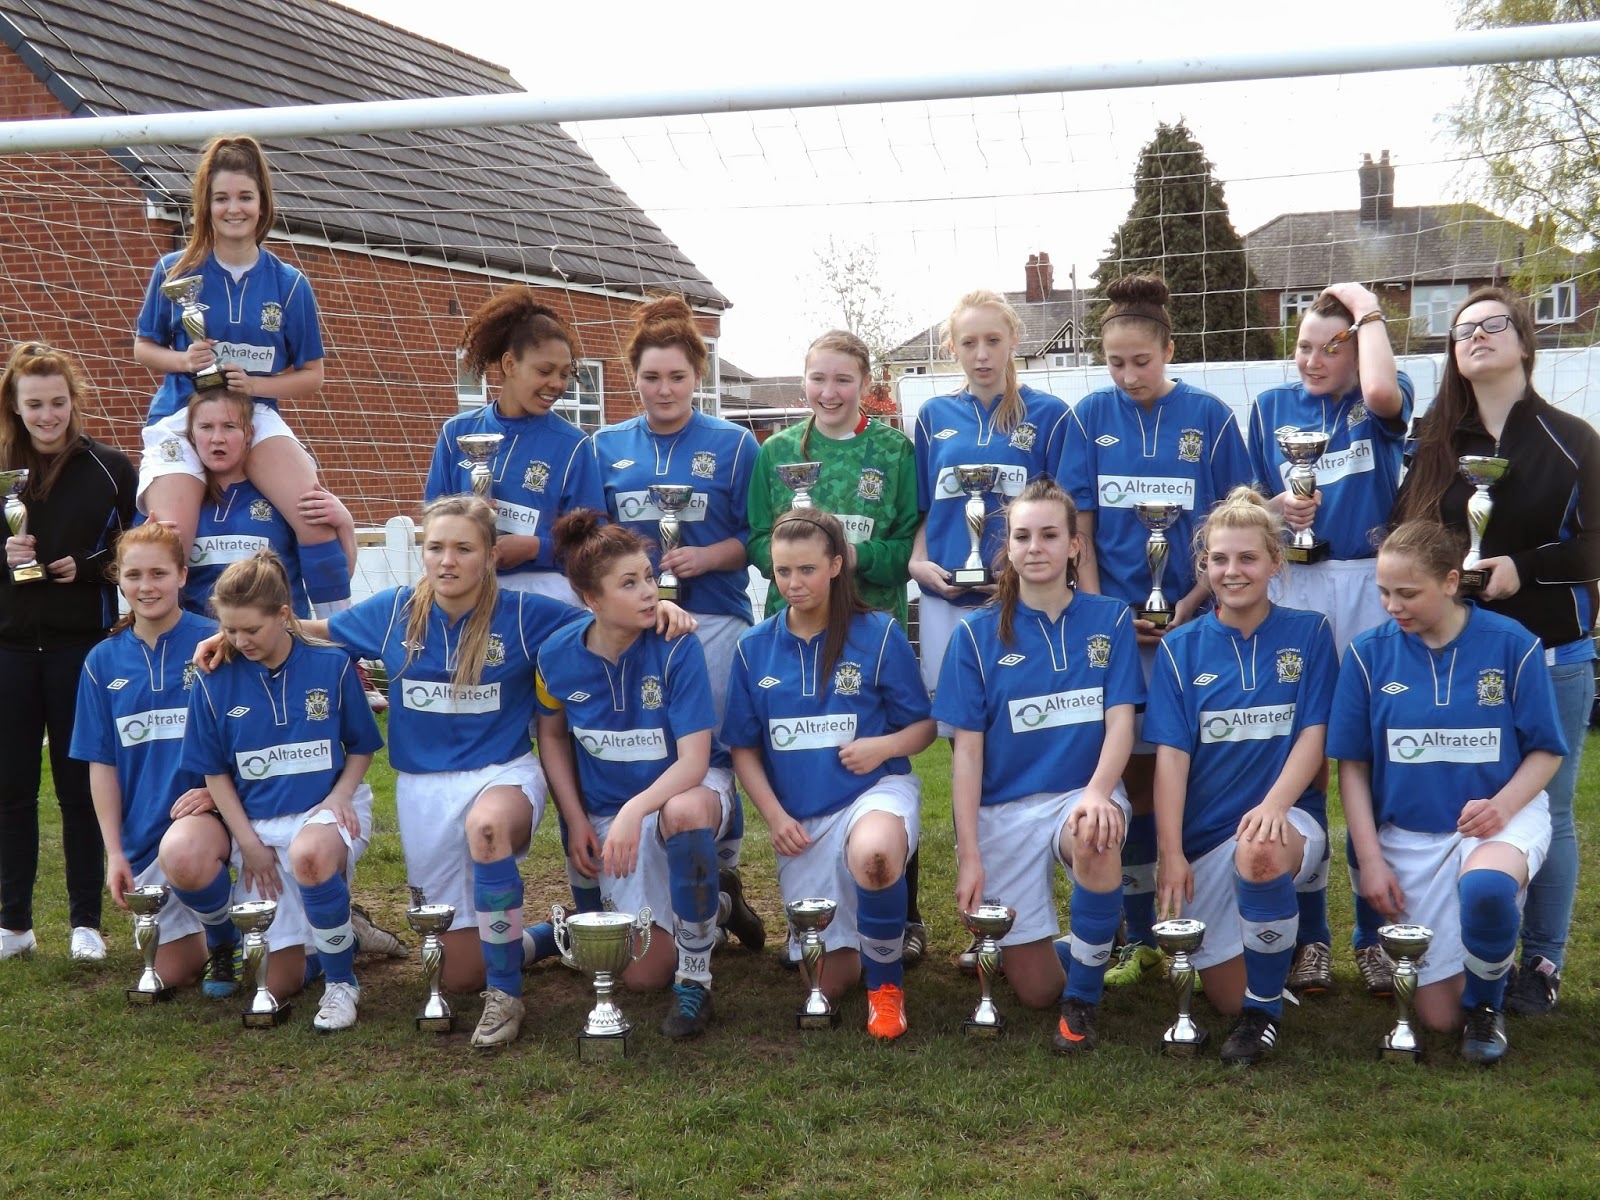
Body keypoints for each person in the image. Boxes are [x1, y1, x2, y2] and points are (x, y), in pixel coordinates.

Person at [1392, 287, 1600, 1015]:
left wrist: (1526, 567)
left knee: (1550, 803)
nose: (1475, 336)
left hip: (1551, 649)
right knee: (1460, 800)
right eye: (1461, 330)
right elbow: (1404, 536)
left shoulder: (1573, 441)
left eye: (1492, 324)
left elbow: (1593, 545)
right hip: (1453, 657)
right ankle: (1456, 943)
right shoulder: (1434, 443)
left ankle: (1542, 961)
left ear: (1525, 341)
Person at [1059, 274, 1254, 990]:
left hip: (1195, 625)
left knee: (1189, 774)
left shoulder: (1209, 415)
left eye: (1142, 361)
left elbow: (1235, 517)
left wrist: (1192, 603)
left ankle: (1204, 931)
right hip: (1116, 628)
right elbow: (1080, 521)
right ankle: (1132, 932)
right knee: (1127, 776)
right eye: (1116, 363)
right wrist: (1100, 613)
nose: (1129, 374)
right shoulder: (1088, 418)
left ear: (1169, 350)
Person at [1328, 521, 1564, 1065]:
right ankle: (1477, 965)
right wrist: (1370, 860)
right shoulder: (1367, 654)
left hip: (1500, 816)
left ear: (1451, 581)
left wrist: (1502, 805)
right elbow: (1353, 767)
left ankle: (1488, 1007)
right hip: (1408, 834)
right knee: (1437, 1016)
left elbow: (1546, 750)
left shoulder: (1512, 645)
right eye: (1384, 592)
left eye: (1408, 593)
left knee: (1484, 887)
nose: (1393, 606)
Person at [1247, 281, 1413, 997]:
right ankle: (1310, 937)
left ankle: (1372, 936)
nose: (1312, 361)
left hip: (1365, 578)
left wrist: (1367, 309)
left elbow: (1381, 397)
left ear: (1359, 348)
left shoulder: (1382, 393)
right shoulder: (1268, 409)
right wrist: (1276, 508)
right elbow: (1246, 502)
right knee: (1304, 745)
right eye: (1303, 347)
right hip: (1296, 582)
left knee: (1369, 752)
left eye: (1329, 348)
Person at [935, 478, 1142, 1053]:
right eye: (1022, 536)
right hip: (1005, 808)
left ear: (1075, 545)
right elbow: (966, 756)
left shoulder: (1111, 619)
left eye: (1050, 535)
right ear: (1007, 546)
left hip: (1081, 791)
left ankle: (1084, 1006)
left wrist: (1100, 793)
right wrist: (970, 855)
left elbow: (1121, 722)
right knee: (1034, 991)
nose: (1035, 547)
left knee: (1096, 836)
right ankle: (1087, 940)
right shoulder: (974, 636)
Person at [592, 294, 765, 951]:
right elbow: (594, 540)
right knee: (647, 743)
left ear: (699, 378)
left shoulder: (732, 444)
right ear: (632, 377)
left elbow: (756, 537)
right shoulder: (606, 446)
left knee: (710, 750)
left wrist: (704, 555)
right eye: (651, 377)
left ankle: (720, 880)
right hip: (631, 625)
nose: (664, 390)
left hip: (712, 617)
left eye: (677, 377)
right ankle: (646, 882)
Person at [724, 509, 935, 1039]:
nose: (794, 583)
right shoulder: (753, 649)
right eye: (782, 572)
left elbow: (925, 728)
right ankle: (868, 942)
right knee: (827, 980)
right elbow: (745, 750)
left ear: (836, 565)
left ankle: (886, 993)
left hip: (873, 791)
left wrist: (882, 745)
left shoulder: (879, 633)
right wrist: (773, 817)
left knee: (876, 856)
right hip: (802, 818)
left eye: (808, 570)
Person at [908, 288, 1071, 966]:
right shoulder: (932, 417)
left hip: (1022, 608)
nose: (981, 354)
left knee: (1026, 738)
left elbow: (1064, 515)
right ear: (953, 348)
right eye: (969, 343)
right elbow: (924, 512)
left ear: (1014, 344)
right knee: (964, 751)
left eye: (993, 342)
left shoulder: (1049, 416)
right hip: (951, 606)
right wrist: (919, 564)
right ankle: (991, 911)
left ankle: (1052, 910)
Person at [1147, 489, 1337, 1064]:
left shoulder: (1310, 633)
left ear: (1275, 563)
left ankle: (1264, 1018)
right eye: (1220, 560)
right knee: (1225, 997)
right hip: (1206, 839)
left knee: (1258, 850)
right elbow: (1172, 759)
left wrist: (1276, 805)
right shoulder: (1180, 648)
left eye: (1248, 558)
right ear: (1203, 566)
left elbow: (1314, 734)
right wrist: (1172, 852)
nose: (1233, 572)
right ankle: (1252, 994)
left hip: (1285, 820)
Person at [535, 510, 734, 1039]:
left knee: (685, 808)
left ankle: (696, 980)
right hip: (605, 813)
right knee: (642, 977)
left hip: (679, 793)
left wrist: (632, 810)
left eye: (648, 576)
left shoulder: (676, 643)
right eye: (630, 583)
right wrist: (576, 819)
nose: (650, 591)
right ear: (591, 600)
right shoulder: (556, 655)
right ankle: (717, 905)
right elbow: (552, 737)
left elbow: (693, 762)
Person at [132, 135, 350, 618]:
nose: (234, 209)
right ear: (206, 205)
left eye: (245, 197)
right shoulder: (174, 270)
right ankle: (166, 649)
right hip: (181, 419)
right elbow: (143, 346)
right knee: (169, 539)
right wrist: (182, 362)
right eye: (222, 198)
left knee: (314, 518)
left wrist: (257, 387)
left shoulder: (290, 284)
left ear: (262, 202)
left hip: (255, 420)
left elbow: (312, 374)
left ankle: (339, 642)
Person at [169, 550, 382, 1031]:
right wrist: (248, 844)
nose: (240, 641)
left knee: (310, 856)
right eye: (230, 630)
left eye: (252, 630)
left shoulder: (332, 665)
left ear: (284, 615)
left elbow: (362, 745)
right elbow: (215, 772)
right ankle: (339, 937)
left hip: (324, 812)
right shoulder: (212, 679)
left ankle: (341, 985)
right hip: (258, 824)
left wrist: (340, 795)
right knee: (275, 980)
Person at [0, 342, 137, 961]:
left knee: (79, 788)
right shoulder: (2, 468)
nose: (48, 415)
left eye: (58, 402)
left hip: (81, 650)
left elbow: (135, 553)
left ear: (73, 401)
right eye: (35, 404)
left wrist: (84, 568)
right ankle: (14, 924)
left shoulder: (110, 467)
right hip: (7, 649)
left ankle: (86, 921)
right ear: (15, 406)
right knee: (10, 788)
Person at [71, 523, 221, 992]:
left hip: (213, 824)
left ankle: (229, 939)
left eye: (158, 573)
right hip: (144, 842)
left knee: (190, 856)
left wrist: (216, 792)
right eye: (134, 575)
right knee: (172, 973)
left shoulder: (216, 641)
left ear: (181, 575)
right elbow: (102, 765)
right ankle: (222, 935)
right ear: (119, 579)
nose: (146, 586)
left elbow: (245, 735)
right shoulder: (102, 661)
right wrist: (115, 852)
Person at [425, 286, 605, 605]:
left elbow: (592, 545)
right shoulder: (458, 432)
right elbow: (433, 521)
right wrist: (465, 518)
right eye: (544, 371)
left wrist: (536, 548)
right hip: (466, 589)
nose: (557, 384)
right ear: (510, 365)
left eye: (565, 374)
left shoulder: (574, 446)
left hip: (543, 596)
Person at [746, 330, 918, 628]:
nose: (828, 393)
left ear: (866, 383)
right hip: (793, 626)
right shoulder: (776, 451)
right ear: (804, 380)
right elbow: (757, 539)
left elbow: (909, 549)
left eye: (843, 380)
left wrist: (855, 556)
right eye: (818, 378)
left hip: (871, 621)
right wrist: (801, 563)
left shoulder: (895, 451)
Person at [184, 390, 355, 620]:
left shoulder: (285, 498)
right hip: (203, 648)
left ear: (249, 434)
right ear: (191, 435)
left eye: (230, 426)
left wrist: (345, 524)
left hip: (282, 646)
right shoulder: (179, 504)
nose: (217, 438)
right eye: (206, 427)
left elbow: (333, 578)